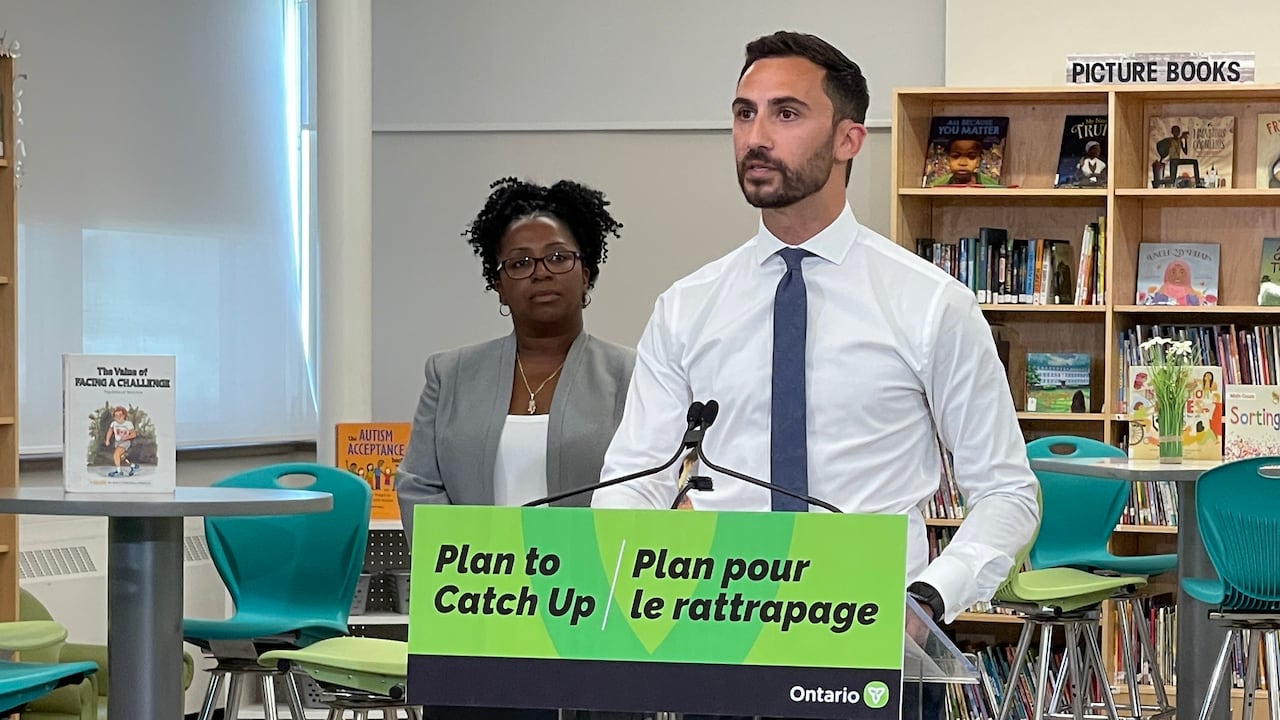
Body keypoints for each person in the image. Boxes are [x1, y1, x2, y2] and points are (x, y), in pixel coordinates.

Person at [592, 31, 1039, 720]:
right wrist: (640, 594)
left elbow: (1007, 492)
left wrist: (926, 600)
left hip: (876, 653)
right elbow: (633, 483)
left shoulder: (930, 305)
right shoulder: (686, 308)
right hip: (721, 647)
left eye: (786, 113)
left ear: (848, 139)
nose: (755, 136)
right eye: (744, 113)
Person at [396, 177, 637, 720]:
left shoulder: (633, 375)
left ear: (588, 270)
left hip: (590, 607)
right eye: (520, 263)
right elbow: (418, 484)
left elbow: (648, 485)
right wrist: (482, 565)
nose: (541, 273)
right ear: (499, 285)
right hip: (476, 602)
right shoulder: (450, 372)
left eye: (557, 257)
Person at [928, 135, 1000, 186]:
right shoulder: (936, 187)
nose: (963, 163)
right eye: (955, 156)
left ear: (978, 161)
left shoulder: (992, 187)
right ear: (948, 159)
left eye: (971, 156)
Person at [103, 406, 138, 477]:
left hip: (125, 442)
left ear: (124, 415)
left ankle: (119, 472)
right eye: (116, 416)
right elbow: (110, 431)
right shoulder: (114, 423)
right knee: (121, 457)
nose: (118, 417)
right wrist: (107, 440)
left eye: (120, 415)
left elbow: (134, 434)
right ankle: (133, 466)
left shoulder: (128, 424)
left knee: (116, 455)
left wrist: (126, 437)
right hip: (117, 442)